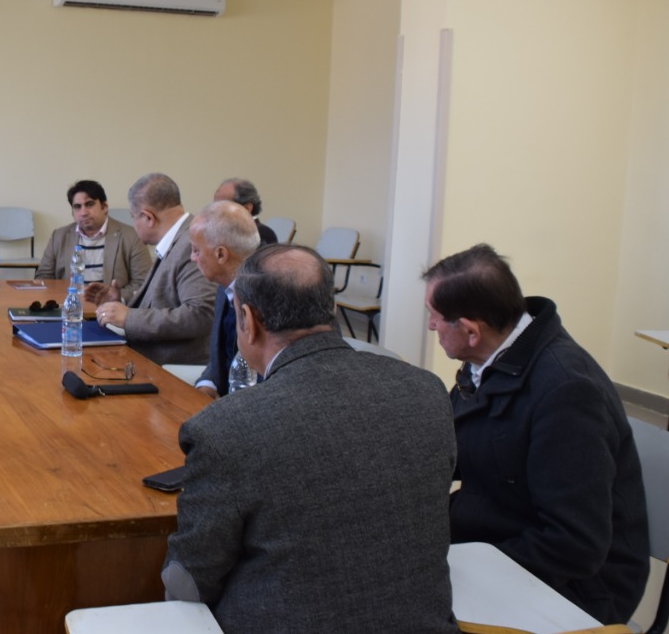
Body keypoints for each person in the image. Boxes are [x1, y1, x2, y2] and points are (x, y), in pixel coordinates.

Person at [163, 245, 458, 633]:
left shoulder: (224, 429)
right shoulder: (427, 390)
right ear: (330, 309)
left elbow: (190, 581)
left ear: (248, 320)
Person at [423, 243, 648, 624]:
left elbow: (574, 544)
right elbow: (452, 451)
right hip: (498, 537)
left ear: (471, 331)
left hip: (577, 586)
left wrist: (461, 564)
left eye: (435, 317)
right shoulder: (487, 361)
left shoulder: (567, 392)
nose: (431, 326)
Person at [89, 173, 214, 365]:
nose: (133, 225)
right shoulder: (178, 238)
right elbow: (165, 300)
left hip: (169, 367)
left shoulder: (191, 243)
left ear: (148, 217)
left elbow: (200, 315)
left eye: (133, 217)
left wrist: (129, 318)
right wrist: (121, 303)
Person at [186, 201, 262, 397]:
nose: (192, 258)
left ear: (221, 254)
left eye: (196, 250)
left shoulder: (267, 299)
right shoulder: (224, 285)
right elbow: (220, 355)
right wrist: (207, 384)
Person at [34, 179, 152, 302]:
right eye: (77, 207)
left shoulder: (131, 236)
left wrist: (116, 297)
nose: (83, 213)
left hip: (113, 307)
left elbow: (143, 282)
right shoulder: (59, 236)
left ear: (104, 207)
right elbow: (43, 277)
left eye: (89, 204)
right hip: (70, 306)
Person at [213, 177, 278, 245]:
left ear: (246, 208)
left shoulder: (262, 234)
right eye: (214, 205)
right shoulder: (217, 231)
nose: (214, 210)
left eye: (222, 206)